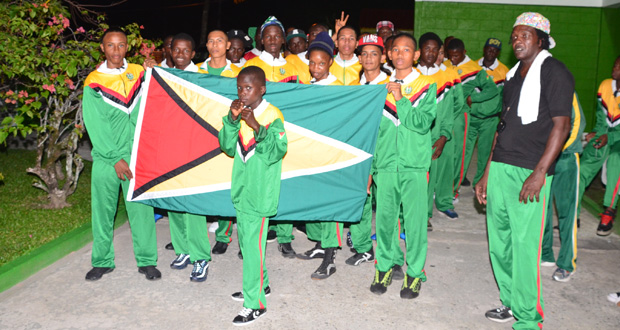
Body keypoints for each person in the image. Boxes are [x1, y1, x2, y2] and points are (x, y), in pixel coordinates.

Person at [475, 12, 573, 328]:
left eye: (524, 35)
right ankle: (511, 302)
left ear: (541, 40)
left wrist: (540, 172)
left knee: (524, 246)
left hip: (530, 172)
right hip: (502, 167)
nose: (517, 40)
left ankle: (529, 318)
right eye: (514, 35)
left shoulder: (556, 72)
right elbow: (503, 126)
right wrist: (487, 170)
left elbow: (562, 125)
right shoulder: (514, 75)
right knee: (499, 243)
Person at [82, 27, 160, 281]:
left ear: (127, 47)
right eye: (111, 46)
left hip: (137, 155)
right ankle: (102, 261)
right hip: (107, 159)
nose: (116, 51)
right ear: (102, 48)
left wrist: (155, 69)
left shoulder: (139, 72)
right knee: (103, 212)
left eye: (121, 45)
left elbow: (159, 94)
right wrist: (115, 158)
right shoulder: (93, 81)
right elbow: (95, 125)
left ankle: (147, 260)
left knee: (141, 210)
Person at [218, 66, 287, 326]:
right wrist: (232, 120)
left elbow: (276, 151)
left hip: (259, 194)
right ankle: (261, 286)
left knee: (253, 247)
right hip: (242, 190)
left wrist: (256, 126)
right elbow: (226, 146)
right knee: (248, 245)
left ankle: (255, 303)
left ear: (262, 89)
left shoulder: (272, 115)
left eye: (248, 88)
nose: (242, 93)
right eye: (239, 88)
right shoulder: (239, 112)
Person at [370, 33, 436, 299]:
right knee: (384, 222)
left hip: (414, 166)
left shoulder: (426, 85)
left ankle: (415, 273)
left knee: (415, 223)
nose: (400, 54)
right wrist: (371, 166)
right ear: (388, 55)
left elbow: (423, 122)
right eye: (395, 49)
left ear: (416, 55)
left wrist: (401, 99)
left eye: (406, 50)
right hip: (385, 165)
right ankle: (384, 267)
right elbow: (374, 131)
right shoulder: (380, 87)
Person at [146, 33, 213, 281]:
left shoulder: (202, 78)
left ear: (193, 54)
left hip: (194, 150)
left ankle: (200, 257)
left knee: (193, 206)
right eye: (176, 50)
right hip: (170, 149)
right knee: (173, 202)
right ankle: (183, 249)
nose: (181, 54)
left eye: (186, 50)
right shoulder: (164, 76)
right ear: (170, 52)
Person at [244, 16, 299, 257]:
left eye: (278, 35)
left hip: (284, 135)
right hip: (255, 134)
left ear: (283, 39)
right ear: (261, 39)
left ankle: (285, 236)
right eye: (268, 35)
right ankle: (259, 233)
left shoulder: (297, 66)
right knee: (258, 184)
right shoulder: (250, 65)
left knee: (283, 183)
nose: (273, 40)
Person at [294, 32, 343, 279]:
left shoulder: (338, 89)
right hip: (312, 154)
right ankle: (321, 244)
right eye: (311, 63)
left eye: (321, 63)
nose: (315, 68)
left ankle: (330, 257)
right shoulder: (308, 85)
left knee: (331, 205)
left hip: (331, 156)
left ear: (330, 62)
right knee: (316, 202)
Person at [345, 34, 390, 267]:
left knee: (386, 205)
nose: (369, 58)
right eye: (364, 53)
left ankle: (388, 253)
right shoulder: (355, 86)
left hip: (386, 152)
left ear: (382, 57)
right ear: (359, 57)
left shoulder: (391, 85)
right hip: (360, 151)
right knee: (360, 198)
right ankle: (363, 247)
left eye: (374, 53)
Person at [198, 30, 241, 255]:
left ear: (227, 46)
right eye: (211, 41)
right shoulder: (196, 71)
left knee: (227, 185)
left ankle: (223, 235)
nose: (215, 45)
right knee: (203, 181)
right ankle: (196, 230)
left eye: (220, 41)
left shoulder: (237, 72)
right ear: (206, 45)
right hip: (201, 133)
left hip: (228, 132)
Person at [447, 38, 499, 206]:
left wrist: (473, 98)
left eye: (456, 56)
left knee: (463, 155)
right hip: (447, 117)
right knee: (448, 154)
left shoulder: (475, 70)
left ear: (464, 52)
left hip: (465, 118)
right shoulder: (447, 66)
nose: (453, 59)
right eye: (451, 56)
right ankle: (442, 187)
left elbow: (492, 89)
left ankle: (457, 189)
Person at [541, 92, 585, 282]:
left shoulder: (566, 90)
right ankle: (545, 253)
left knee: (567, 212)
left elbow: (577, 124)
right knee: (543, 207)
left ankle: (567, 263)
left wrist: (558, 148)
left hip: (565, 157)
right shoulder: (534, 87)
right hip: (544, 159)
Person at [416, 32, 457, 222]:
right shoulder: (410, 74)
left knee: (430, 178)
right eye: (427, 48)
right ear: (419, 51)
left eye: (435, 49)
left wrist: (443, 137)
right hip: (412, 137)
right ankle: (405, 217)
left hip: (433, 137)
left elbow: (448, 112)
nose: (431, 53)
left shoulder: (446, 76)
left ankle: (424, 216)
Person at [577, 55, 620, 236]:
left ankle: (609, 210)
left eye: (619, 66)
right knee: (582, 168)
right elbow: (601, 118)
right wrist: (597, 132)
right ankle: (573, 213)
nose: (614, 68)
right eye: (615, 64)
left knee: (615, 162)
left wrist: (608, 138)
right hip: (605, 134)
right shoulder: (605, 86)